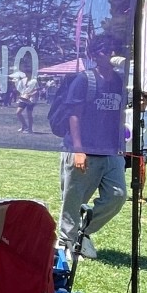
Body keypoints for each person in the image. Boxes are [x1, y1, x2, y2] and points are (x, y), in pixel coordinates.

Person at [58, 33, 127, 258]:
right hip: (82, 148)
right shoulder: (84, 80)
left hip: (110, 150)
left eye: (114, 49)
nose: (112, 54)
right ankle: (66, 242)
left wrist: (121, 145)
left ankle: (82, 232)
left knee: (117, 195)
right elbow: (74, 115)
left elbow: (119, 114)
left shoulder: (119, 81)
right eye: (106, 50)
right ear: (96, 55)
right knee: (74, 199)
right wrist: (78, 150)